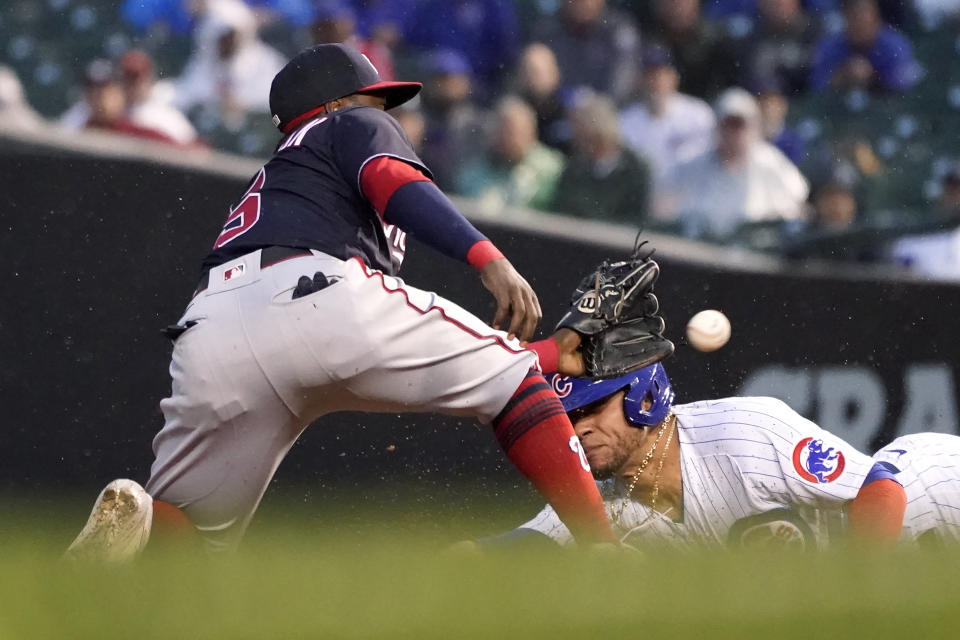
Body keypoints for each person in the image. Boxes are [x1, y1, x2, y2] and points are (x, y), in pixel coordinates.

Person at [65, 43, 619, 561]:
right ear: (334, 104)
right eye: (374, 99)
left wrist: (557, 350)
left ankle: (135, 534)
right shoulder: (347, 124)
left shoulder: (281, 175)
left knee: (191, 534)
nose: (385, 112)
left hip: (211, 329)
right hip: (315, 294)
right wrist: (487, 258)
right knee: (515, 383)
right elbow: (390, 179)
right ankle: (604, 551)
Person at [475, 363, 916, 551]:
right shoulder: (599, 499)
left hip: (933, 493)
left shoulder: (741, 428)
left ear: (642, 397)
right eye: (566, 418)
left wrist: (862, 589)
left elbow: (881, 489)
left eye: (591, 408)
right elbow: (527, 542)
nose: (577, 428)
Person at [656, 88, 809, 241]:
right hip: (701, 251)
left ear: (753, 128)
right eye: (728, 125)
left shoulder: (771, 162)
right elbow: (663, 203)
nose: (734, 133)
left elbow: (798, 204)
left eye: (740, 126)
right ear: (718, 127)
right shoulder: (692, 161)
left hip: (754, 254)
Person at [619, 45, 715, 186]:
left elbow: (709, 160)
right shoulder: (626, 121)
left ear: (674, 78)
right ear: (640, 80)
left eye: (661, 74)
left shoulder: (698, 115)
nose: (656, 81)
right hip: (644, 194)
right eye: (649, 75)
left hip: (690, 192)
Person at [551, 93, 652, 224]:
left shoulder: (635, 169)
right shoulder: (574, 168)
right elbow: (561, 210)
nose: (575, 134)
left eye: (580, 127)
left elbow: (636, 217)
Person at [455, 96, 566, 212]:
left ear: (532, 133)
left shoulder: (553, 169)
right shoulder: (474, 173)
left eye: (513, 132)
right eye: (502, 131)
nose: (507, 139)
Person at [530, 0, 641, 104]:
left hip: (608, 112)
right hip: (557, 112)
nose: (581, 3)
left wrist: (595, 104)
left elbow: (623, 78)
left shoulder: (618, 28)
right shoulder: (546, 29)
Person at [809, 0, 923, 93]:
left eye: (864, 22)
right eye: (855, 22)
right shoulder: (831, 46)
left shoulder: (895, 45)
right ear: (846, 21)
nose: (860, 27)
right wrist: (842, 77)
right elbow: (816, 84)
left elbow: (906, 85)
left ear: (876, 20)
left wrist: (873, 76)